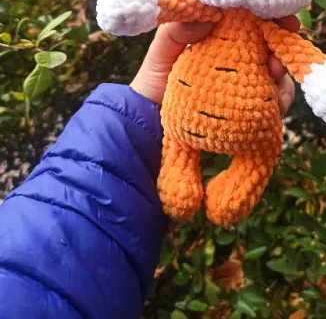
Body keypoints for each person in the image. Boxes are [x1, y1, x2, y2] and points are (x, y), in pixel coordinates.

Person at [0, 19, 296, 319]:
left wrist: (142, 109)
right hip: (188, 112)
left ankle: (196, 179)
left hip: (179, 106)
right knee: (227, 145)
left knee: (209, 142)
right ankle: (187, 178)